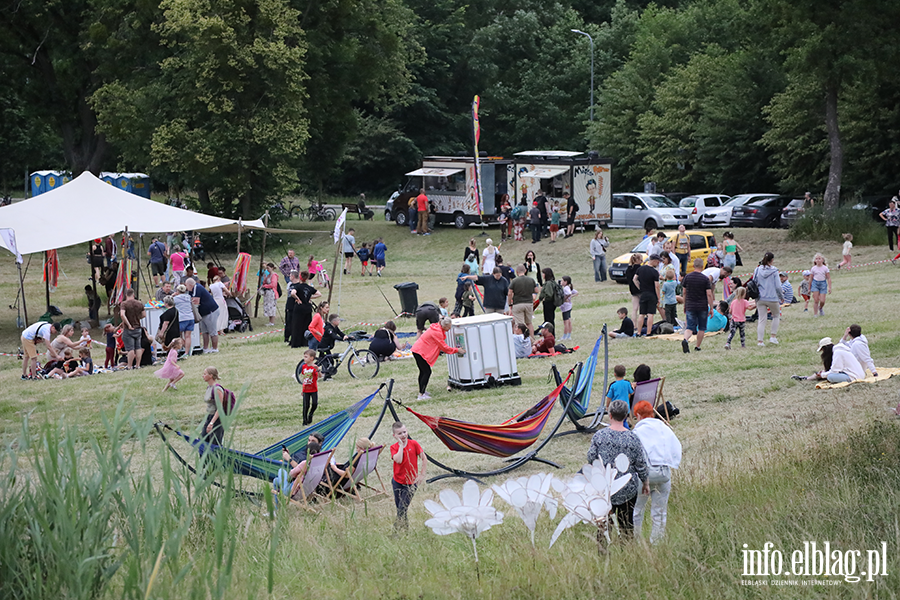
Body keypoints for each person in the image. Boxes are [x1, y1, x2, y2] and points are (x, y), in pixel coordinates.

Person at [587, 400, 649, 537]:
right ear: (626, 415)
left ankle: (603, 553)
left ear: (610, 415)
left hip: (605, 488)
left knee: (603, 524)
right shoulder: (633, 438)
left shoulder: (599, 436)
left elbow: (591, 458)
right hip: (627, 489)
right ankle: (626, 552)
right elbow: (640, 464)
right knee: (627, 524)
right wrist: (646, 483)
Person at [631, 400, 682, 543]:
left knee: (636, 510)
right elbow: (676, 446)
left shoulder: (636, 432)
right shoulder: (664, 428)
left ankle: (635, 541)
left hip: (643, 477)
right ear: (652, 413)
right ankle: (657, 543)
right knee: (659, 512)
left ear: (638, 415)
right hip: (662, 474)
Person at [410, 317, 465, 400]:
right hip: (420, 352)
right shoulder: (437, 332)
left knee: (423, 371)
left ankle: (422, 391)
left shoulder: (436, 327)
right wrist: (457, 350)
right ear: (444, 326)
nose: (449, 329)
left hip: (417, 350)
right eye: (449, 327)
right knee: (426, 372)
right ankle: (421, 394)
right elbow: (444, 347)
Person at [391, 421, 426, 531]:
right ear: (394, 436)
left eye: (404, 432)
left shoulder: (414, 444)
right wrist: (401, 445)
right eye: (399, 434)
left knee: (403, 507)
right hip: (397, 481)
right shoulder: (394, 447)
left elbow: (424, 458)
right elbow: (399, 460)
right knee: (400, 508)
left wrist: (421, 475)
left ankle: (395, 530)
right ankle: (405, 530)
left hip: (411, 483)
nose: (403, 435)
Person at [681, 258, 714, 353]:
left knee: (690, 327)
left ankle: (685, 340)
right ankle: (697, 346)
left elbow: (684, 292)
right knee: (702, 327)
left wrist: (685, 305)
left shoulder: (687, 277)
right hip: (702, 306)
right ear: (702, 266)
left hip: (690, 305)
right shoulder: (705, 279)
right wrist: (711, 308)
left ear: (693, 266)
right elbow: (709, 294)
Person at [753, 252, 784, 346]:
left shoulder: (757, 270)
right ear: (772, 260)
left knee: (762, 319)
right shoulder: (774, 271)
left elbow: (754, 282)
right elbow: (778, 286)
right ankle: (773, 336)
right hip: (772, 297)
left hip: (760, 297)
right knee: (776, 316)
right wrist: (781, 297)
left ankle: (760, 341)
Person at [185, 278, 220, 353]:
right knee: (205, 331)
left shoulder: (197, 288)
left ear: (190, 285)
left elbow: (196, 302)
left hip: (210, 311)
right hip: (203, 313)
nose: (186, 287)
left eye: (186, 285)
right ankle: (205, 348)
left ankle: (215, 348)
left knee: (212, 331)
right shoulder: (191, 290)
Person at [290, 271, 320, 348]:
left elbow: (293, 293)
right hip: (307, 308)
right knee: (306, 325)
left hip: (299, 308)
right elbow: (319, 294)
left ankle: (296, 343)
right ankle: (305, 341)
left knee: (297, 325)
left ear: (300, 277)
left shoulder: (297, 287)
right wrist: (310, 297)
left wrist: (297, 298)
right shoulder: (309, 288)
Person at [201, 367, 229, 445]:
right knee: (202, 441)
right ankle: (204, 457)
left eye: (205, 374)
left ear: (211, 375)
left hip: (217, 419)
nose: (203, 376)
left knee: (215, 444)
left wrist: (212, 423)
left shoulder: (217, 389)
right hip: (209, 417)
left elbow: (220, 408)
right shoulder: (209, 388)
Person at [634, 254, 661, 337]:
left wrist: (640, 287)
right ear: (653, 261)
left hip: (643, 293)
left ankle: (638, 332)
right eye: (657, 262)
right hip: (651, 294)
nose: (658, 263)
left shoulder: (640, 269)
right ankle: (648, 332)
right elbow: (656, 286)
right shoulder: (654, 272)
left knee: (641, 314)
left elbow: (634, 279)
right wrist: (658, 298)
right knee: (650, 314)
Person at [508, 264, 539, 336]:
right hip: (529, 303)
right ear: (525, 271)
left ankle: (522, 340)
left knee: (520, 324)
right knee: (529, 323)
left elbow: (510, 293)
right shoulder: (531, 280)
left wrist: (509, 303)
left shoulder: (515, 281)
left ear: (516, 271)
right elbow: (536, 290)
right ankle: (531, 340)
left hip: (518, 304)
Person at [120, 288, 145, 369]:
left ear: (126, 295)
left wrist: (128, 324)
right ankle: (137, 365)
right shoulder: (139, 303)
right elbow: (144, 315)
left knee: (130, 348)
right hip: (138, 328)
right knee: (138, 347)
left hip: (128, 329)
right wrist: (138, 318)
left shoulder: (124, 304)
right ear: (133, 295)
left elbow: (122, 315)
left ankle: (129, 365)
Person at [298, 349, 320, 425]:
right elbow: (305, 378)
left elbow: (320, 376)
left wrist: (318, 370)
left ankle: (311, 414)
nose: (304, 358)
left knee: (315, 404)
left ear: (312, 358)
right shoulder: (304, 367)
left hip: (313, 389)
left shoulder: (314, 367)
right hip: (306, 389)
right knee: (305, 405)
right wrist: (302, 389)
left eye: (306, 357)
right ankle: (304, 420)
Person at [173, 285, 195, 352]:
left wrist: (173, 295)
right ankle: (187, 351)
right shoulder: (188, 297)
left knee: (178, 336)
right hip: (190, 317)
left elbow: (167, 301)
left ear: (177, 291)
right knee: (188, 336)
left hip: (181, 318)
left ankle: (179, 348)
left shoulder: (176, 298)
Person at [809, 252, 832, 317]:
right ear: (815, 260)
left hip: (823, 284)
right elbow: (810, 278)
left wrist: (829, 287)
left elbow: (829, 278)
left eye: (819, 258)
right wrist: (809, 287)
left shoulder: (825, 268)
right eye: (816, 259)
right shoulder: (813, 268)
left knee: (822, 300)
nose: (818, 260)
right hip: (815, 283)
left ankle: (821, 308)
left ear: (822, 260)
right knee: (816, 300)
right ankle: (815, 314)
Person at [624, 253, 643, 318]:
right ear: (637, 260)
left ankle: (634, 324)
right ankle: (643, 323)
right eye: (641, 260)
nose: (642, 261)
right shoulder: (640, 269)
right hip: (640, 289)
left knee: (634, 309)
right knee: (642, 309)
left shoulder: (628, 269)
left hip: (632, 290)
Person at [559, 276, 578, 341]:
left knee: (566, 322)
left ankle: (565, 336)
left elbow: (569, 293)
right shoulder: (569, 287)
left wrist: (565, 298)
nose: (561, 282)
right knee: (569, 321)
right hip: (569, 306)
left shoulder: (565, 288)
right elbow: (576, 292)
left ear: (565, 282)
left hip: (565, 307)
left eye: (562, 281)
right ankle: (569, 335)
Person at [261, 262, 279, 327]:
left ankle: (272, 322)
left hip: (272, 292)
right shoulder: (268, 275)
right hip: (267, 293)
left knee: (272, 307)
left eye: (268, 268)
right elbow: (264, 282)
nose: (267, 269)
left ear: (272, 268)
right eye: (267, 268)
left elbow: (273, 284)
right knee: (268, 307)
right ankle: (270, 321)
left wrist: (266, 286)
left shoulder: (274, 275)